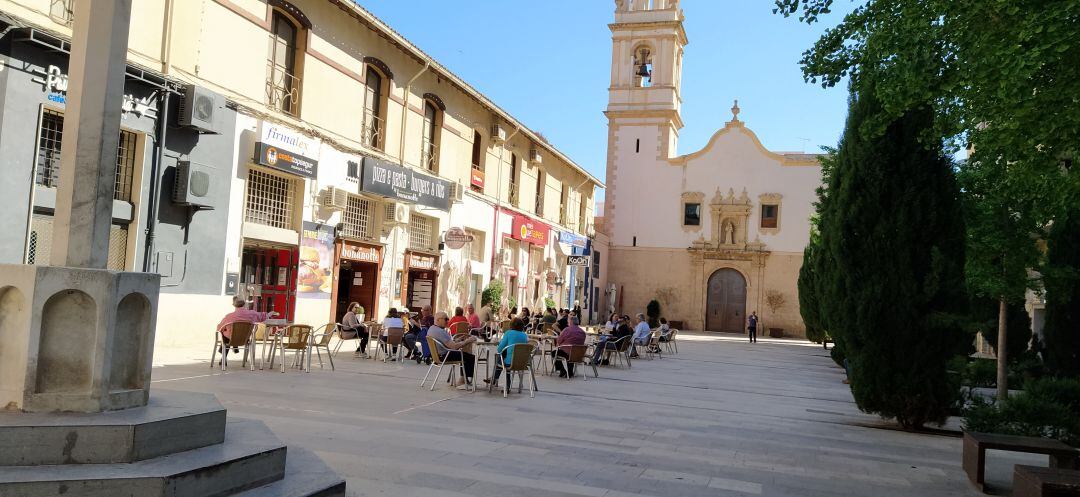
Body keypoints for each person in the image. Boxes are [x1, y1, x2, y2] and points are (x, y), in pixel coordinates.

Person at [427, 311, 478, 389]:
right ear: (438, 320)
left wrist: (459, 339)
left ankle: (463, 379)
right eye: (446, 319)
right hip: (444, 355)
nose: (447, 321)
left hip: (437, 355)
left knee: (464, 355)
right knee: (470, 357)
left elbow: (447, 343)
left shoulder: (432, 328)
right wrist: (468, 341)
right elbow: (454, 347)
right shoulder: (440, 331)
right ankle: (463, 381)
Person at [488, 318, 529, 391]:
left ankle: (496, 380)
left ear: (511, 325)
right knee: (503, 358)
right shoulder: (524, 335)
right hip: (522, 362)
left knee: (500, 358)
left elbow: (500, 349)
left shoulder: (508, 333)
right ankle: (494, 379)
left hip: (510, 362)